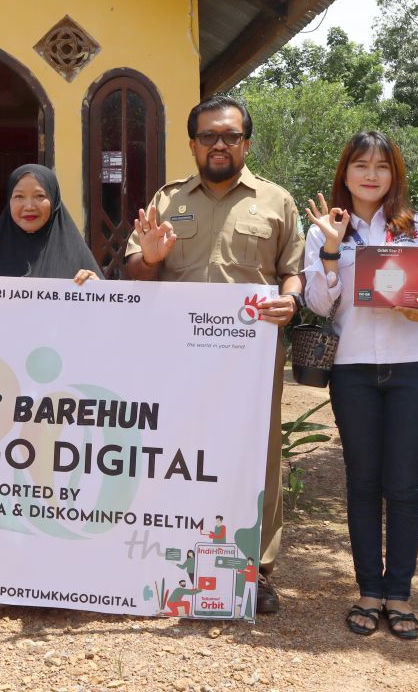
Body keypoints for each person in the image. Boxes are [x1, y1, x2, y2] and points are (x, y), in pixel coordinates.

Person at [125, 94, 304, 614]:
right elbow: (138, 273)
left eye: (229, 136)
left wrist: (290, 297)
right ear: (192, 144)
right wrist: (151, 259)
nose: (219, 144)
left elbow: (292, 269)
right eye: (208, 136)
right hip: (179, 358)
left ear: (246, 142)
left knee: (258, 457)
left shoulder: (276, 202)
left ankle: (257, 570)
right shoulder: (167, 199)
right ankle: (171, 560)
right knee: (175, 454)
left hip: (250, 357)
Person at [303, 130, 418, 640]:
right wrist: (329, 247)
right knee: (363, 484)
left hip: (415, 367)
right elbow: (320, 307)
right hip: (352, 372)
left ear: (395, 175)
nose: (371, 175)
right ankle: (369, 590)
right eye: (361, 165)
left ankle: (400, 595)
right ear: (344, 172)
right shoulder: (327, 230)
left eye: (382, 166)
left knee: (405, 486)